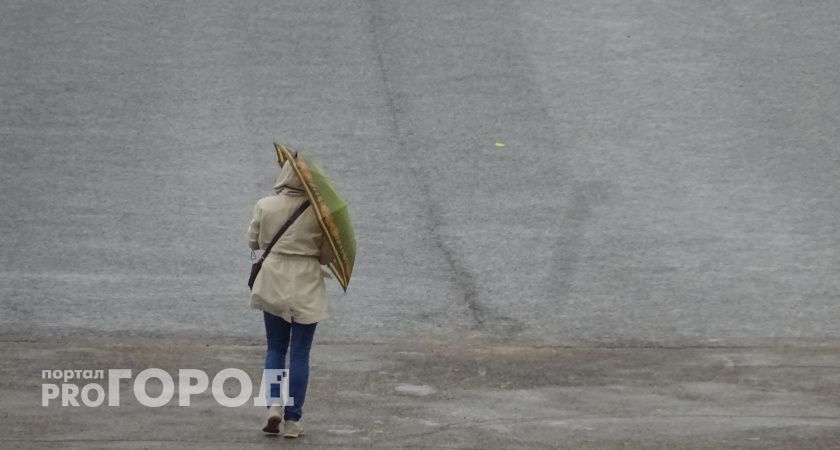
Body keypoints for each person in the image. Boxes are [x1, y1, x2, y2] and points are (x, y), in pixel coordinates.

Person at [247, 159, 334, 438]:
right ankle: (293, 421)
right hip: (306, 283)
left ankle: (273, 405)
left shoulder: (265, 204)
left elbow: (254, 242)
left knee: (275, 346)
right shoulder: (320, 212)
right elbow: (327, 256)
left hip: (273, 279)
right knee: (300, 352)